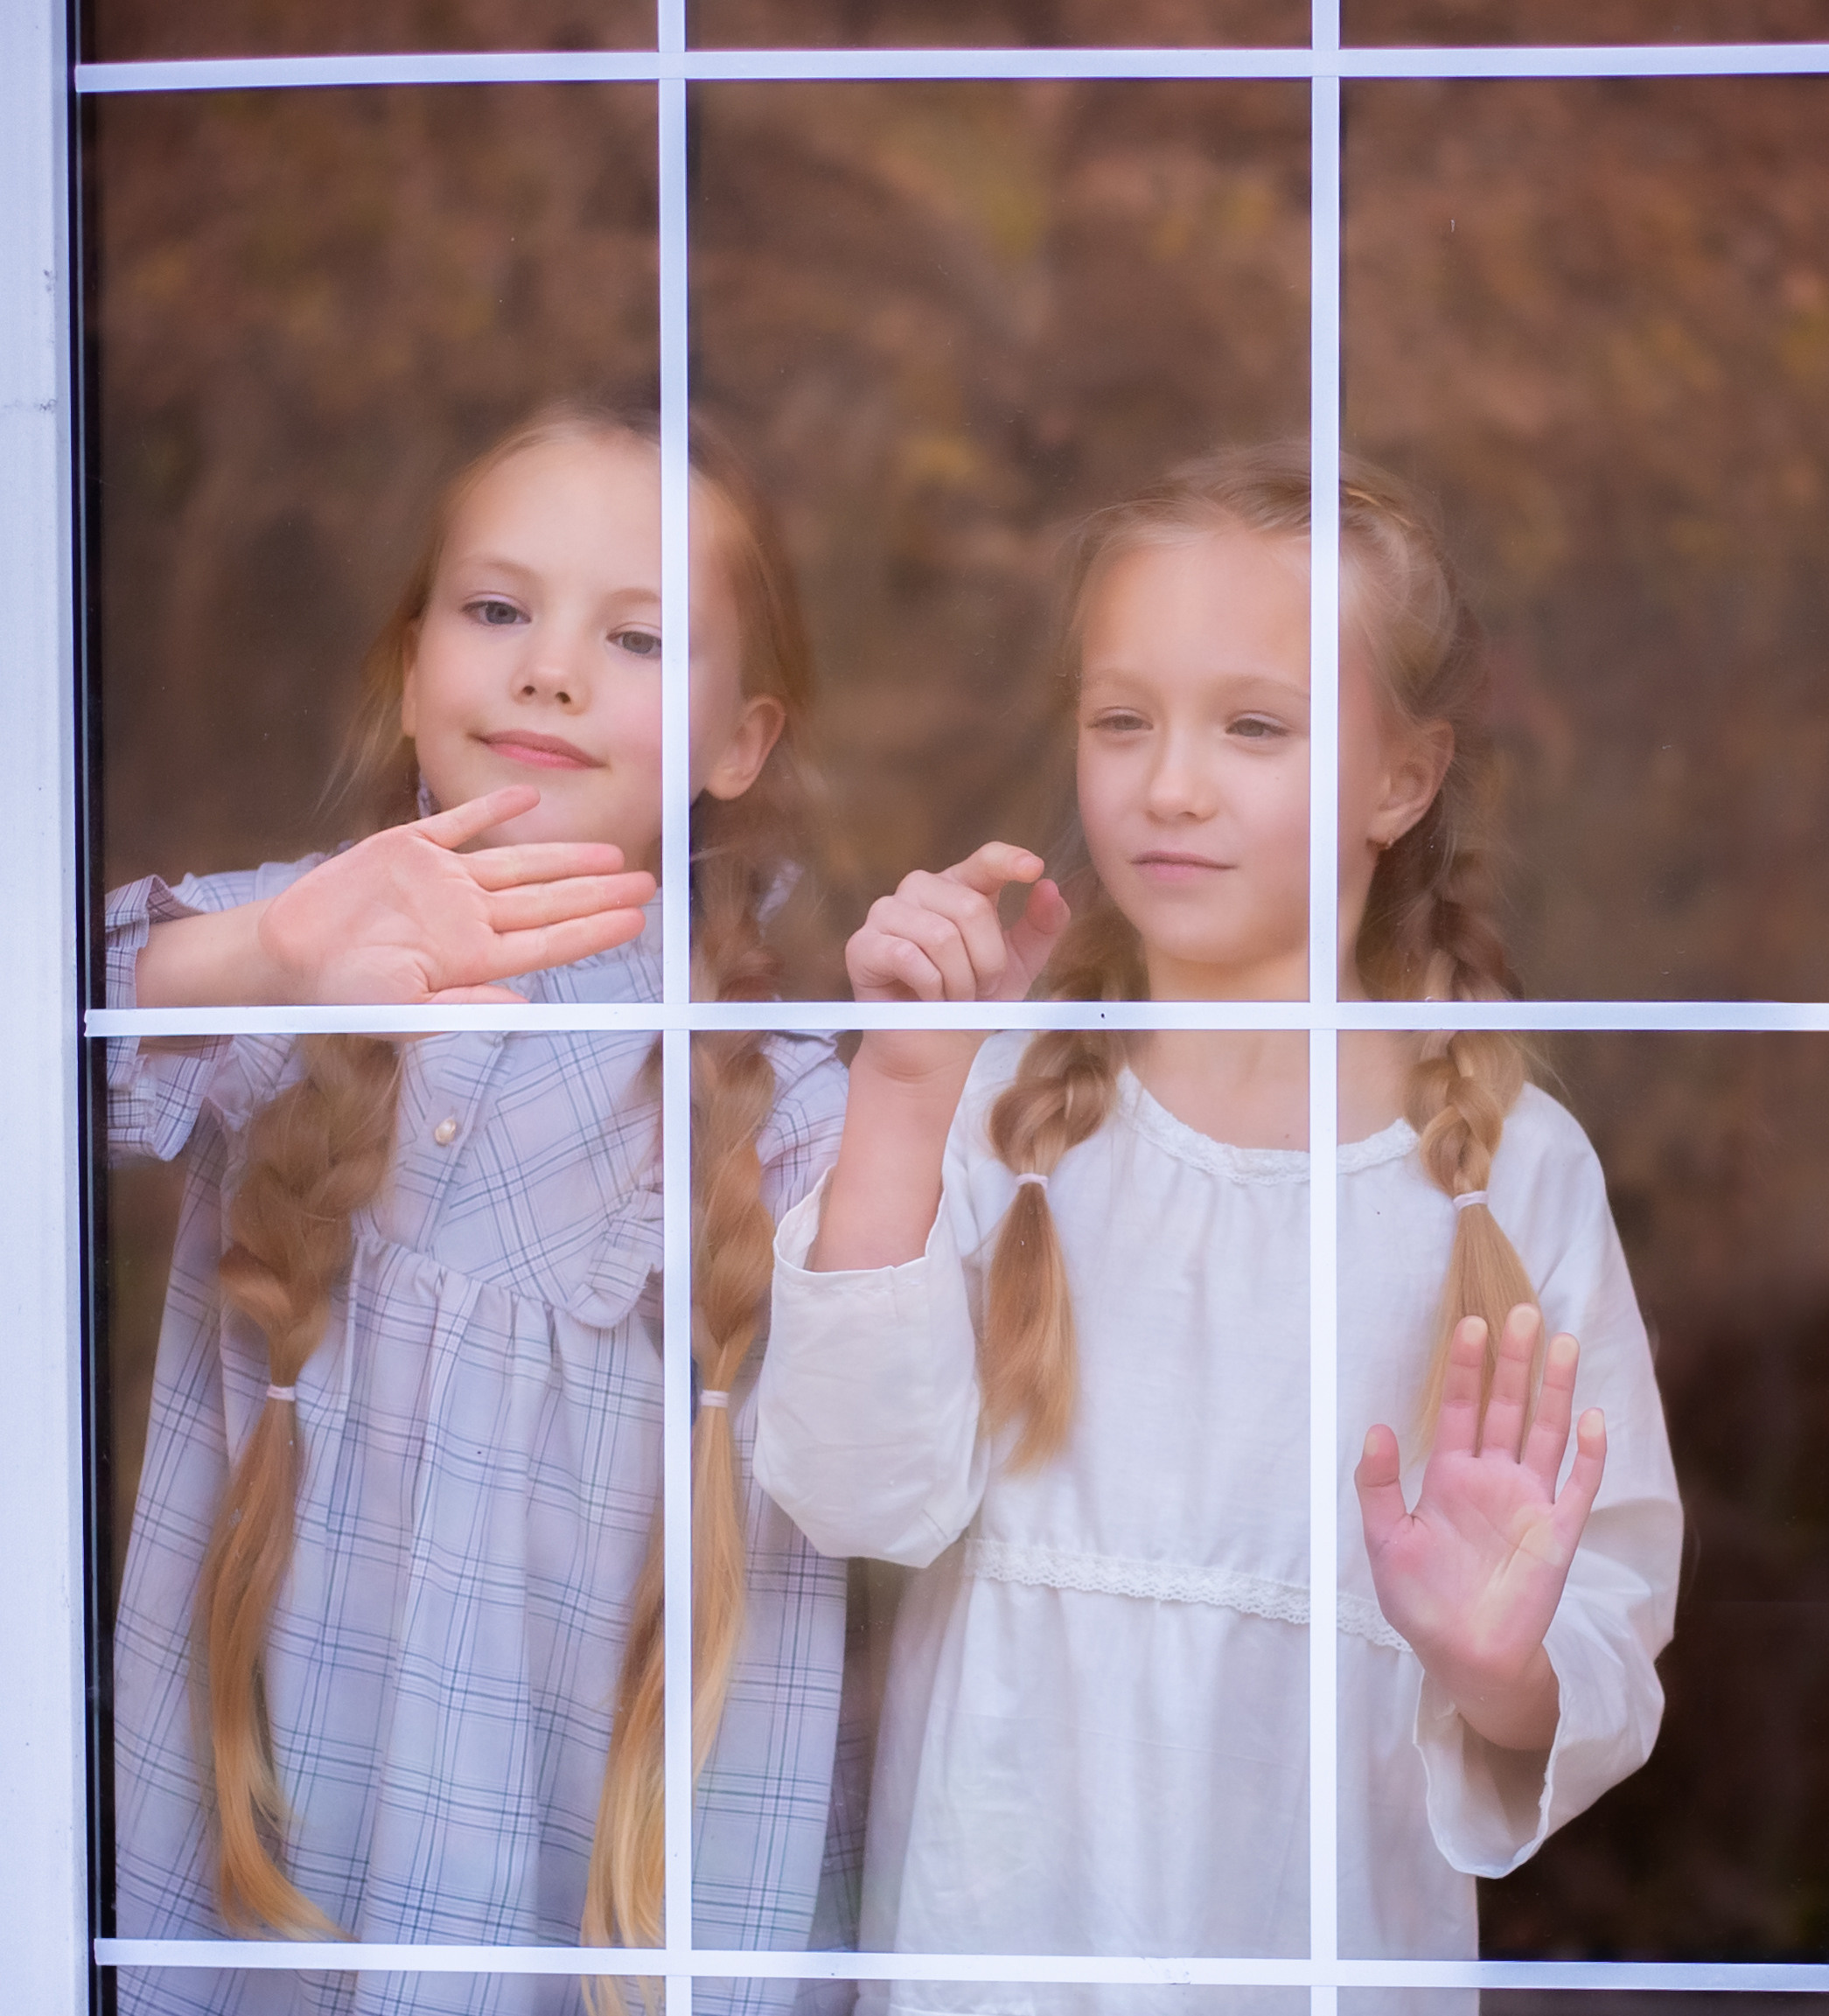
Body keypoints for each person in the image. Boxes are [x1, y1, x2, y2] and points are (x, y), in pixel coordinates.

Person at [752, 446, 1685, 2014]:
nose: (1166, 783)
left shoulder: (1514, 1166)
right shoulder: (1002, 1092)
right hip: (999, 1928)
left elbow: (1599, 1629)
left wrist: (1492, 1661)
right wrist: (900, 1097)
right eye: (1122, 721)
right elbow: (853, 1496)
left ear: (1404, 777)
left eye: (1254, 726)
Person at [108, 401, 857, 2014]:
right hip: (284, 1809)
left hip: (578, 1852)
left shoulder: (773, 1086)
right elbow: (67, 1032)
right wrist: (268, 962)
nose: (550, 671)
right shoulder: (295, 941)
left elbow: (887, 1430)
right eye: (497, 609)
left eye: (637, 635)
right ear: (409, 667)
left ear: (742, 742)